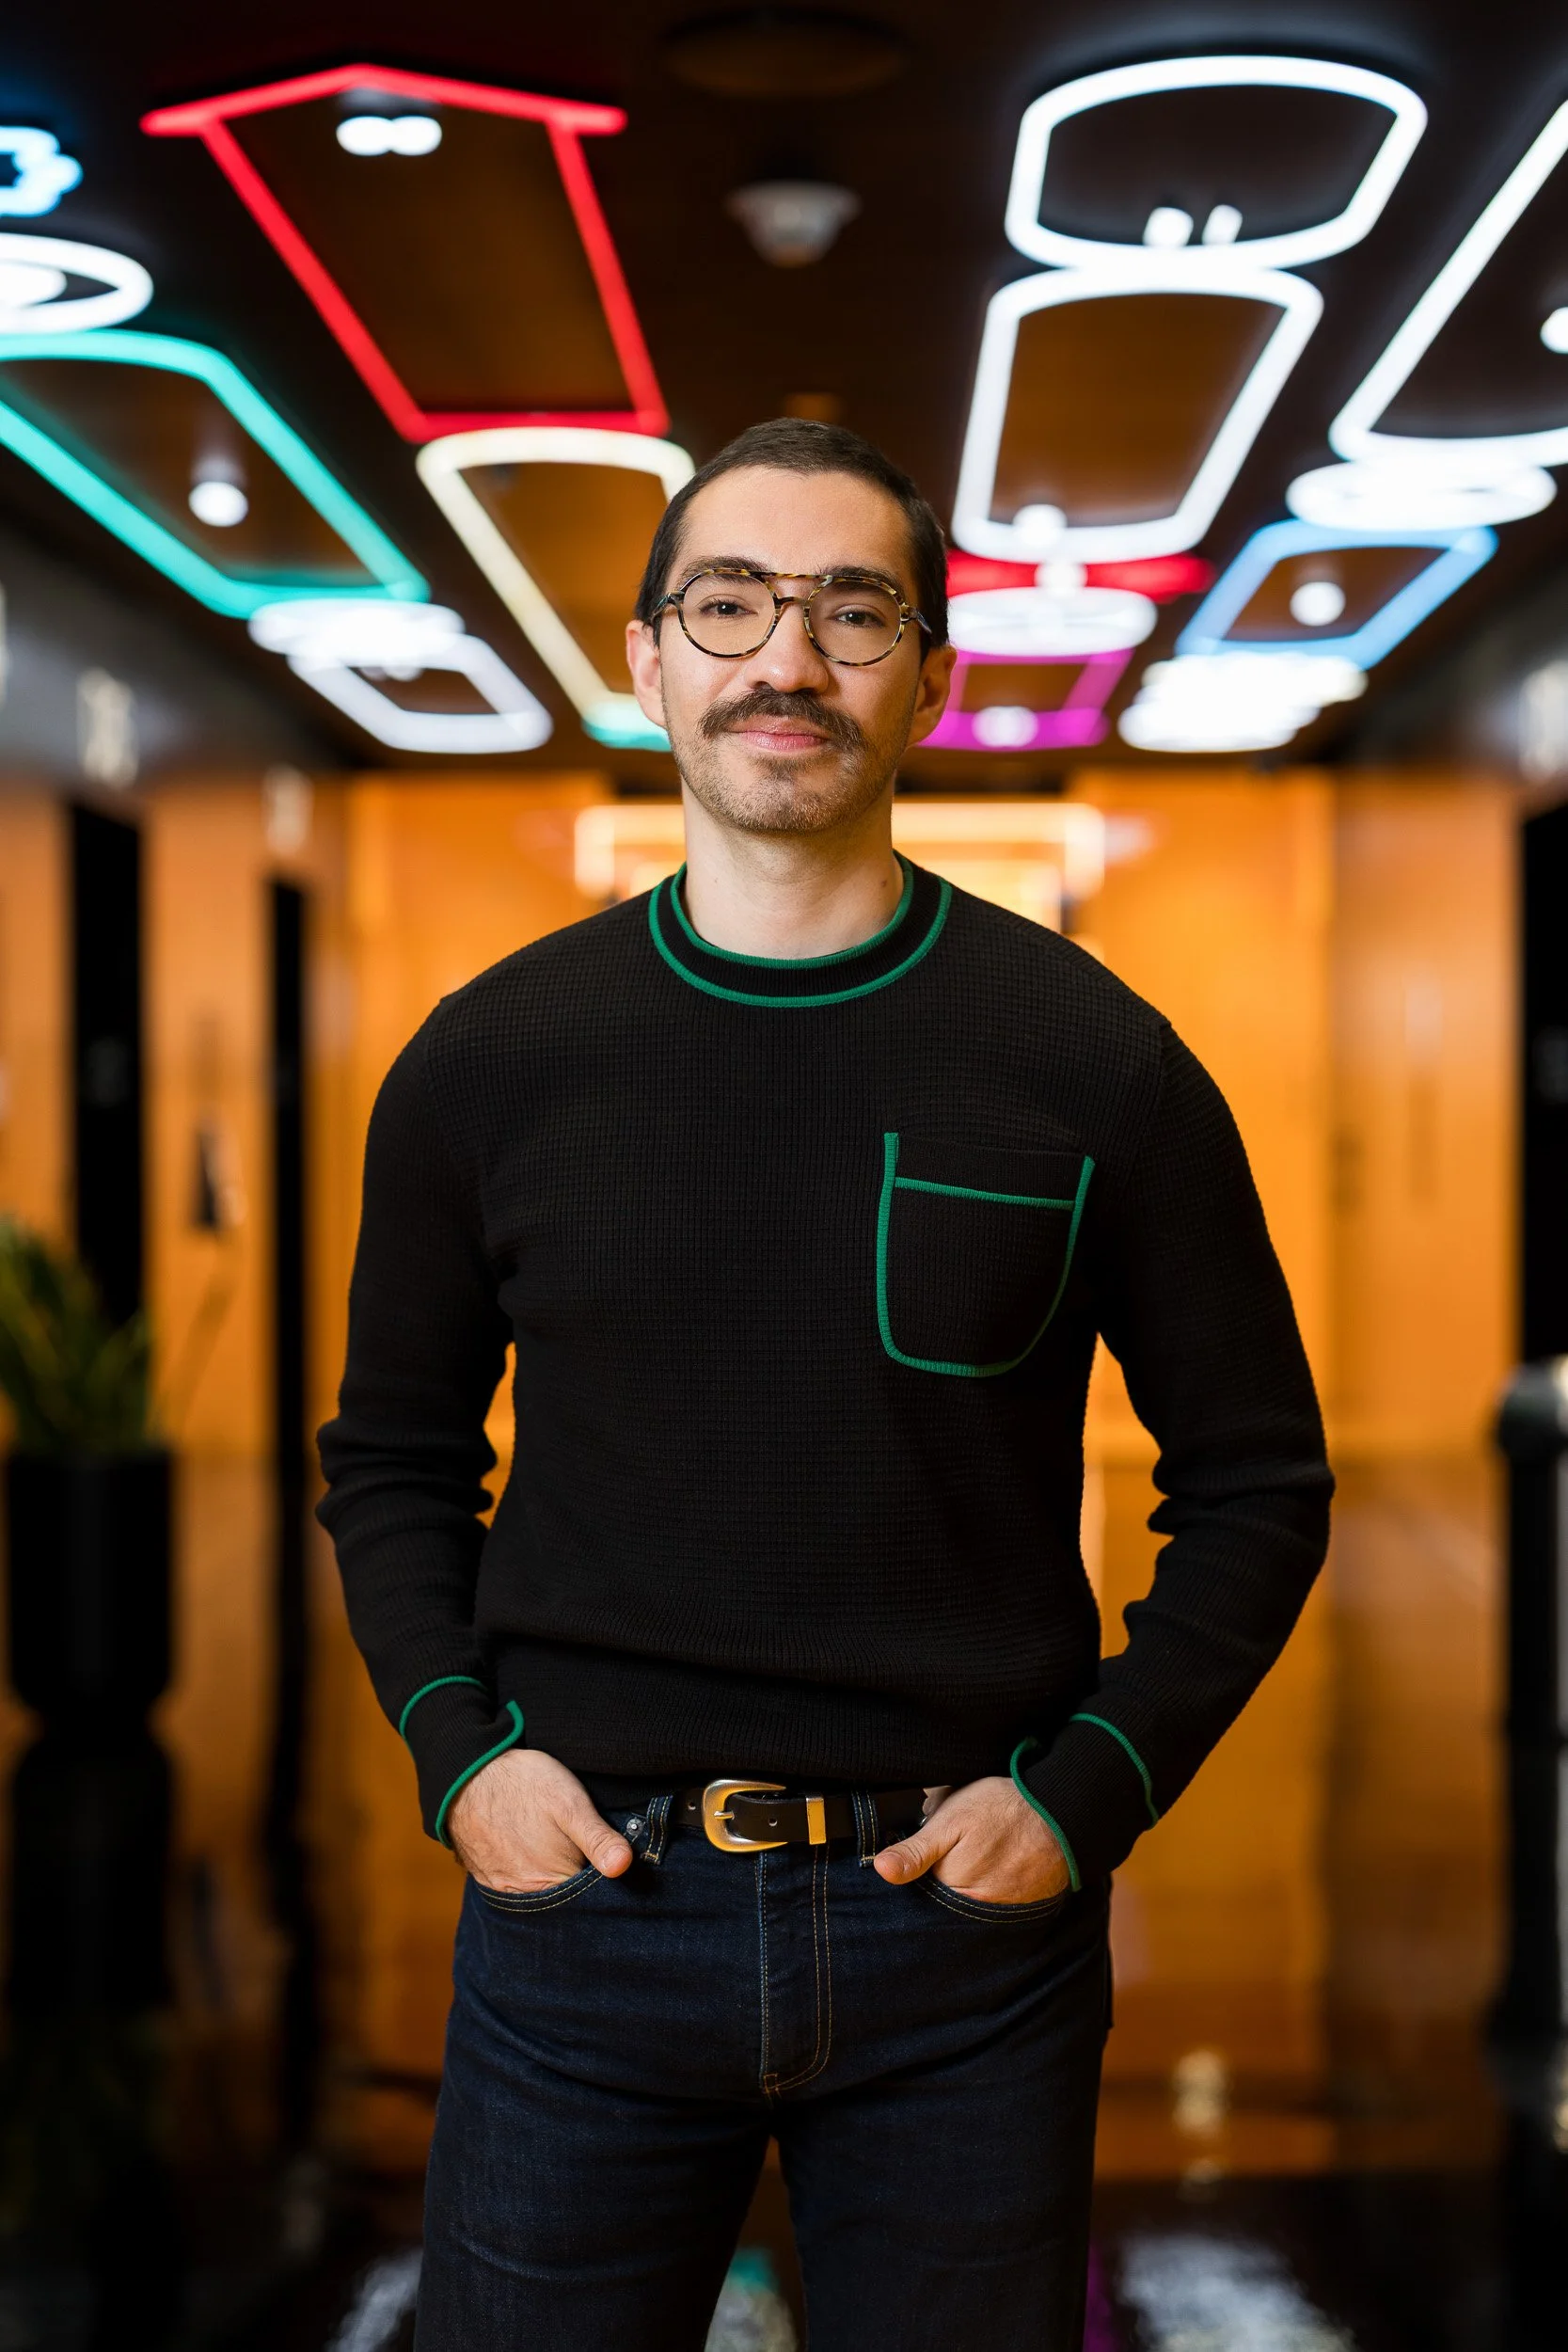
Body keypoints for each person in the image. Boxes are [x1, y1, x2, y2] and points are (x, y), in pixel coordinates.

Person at [317, 418, 1333, 2350]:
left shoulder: (1090, 1062)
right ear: (648, 659)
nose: (785, 658)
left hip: (964, 1938)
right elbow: (392, 1457)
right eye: (728, 605)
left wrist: (1088, 1793)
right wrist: (462, 1762)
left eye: (851, 611)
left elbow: (1256, 1482)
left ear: (930, 676)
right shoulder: (490, 1061)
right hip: (581, 1917)